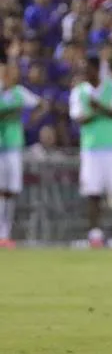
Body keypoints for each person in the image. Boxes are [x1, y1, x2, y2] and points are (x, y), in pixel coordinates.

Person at [68, 54, 112, 248]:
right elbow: (79, 118)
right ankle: (95, 236)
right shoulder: (78, 91)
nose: (84, 72)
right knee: (93, 194)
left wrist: (97, 108)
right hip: (91, 149)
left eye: (87, 69)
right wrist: (103, 111)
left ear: (97, 69)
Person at [0, 63, 40, 248]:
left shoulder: (19, 92)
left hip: (14, 146)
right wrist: (11, 112)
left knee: (11, 191)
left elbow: (41, 104)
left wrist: (28, 121)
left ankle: (5, 234)